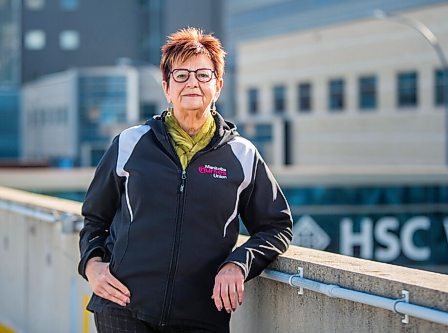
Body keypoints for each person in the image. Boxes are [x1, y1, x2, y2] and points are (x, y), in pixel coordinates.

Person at [78, 27, 293, 333]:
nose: (192, 82)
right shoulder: (130, 143)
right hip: (123, 307)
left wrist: (239, 263)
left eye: (203, 74)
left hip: (201, 315)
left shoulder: (242, 155)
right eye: (181, 75)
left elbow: (277, 226)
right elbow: (94, 218)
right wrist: (91, 265)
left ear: (217, 86)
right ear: (166, 87)